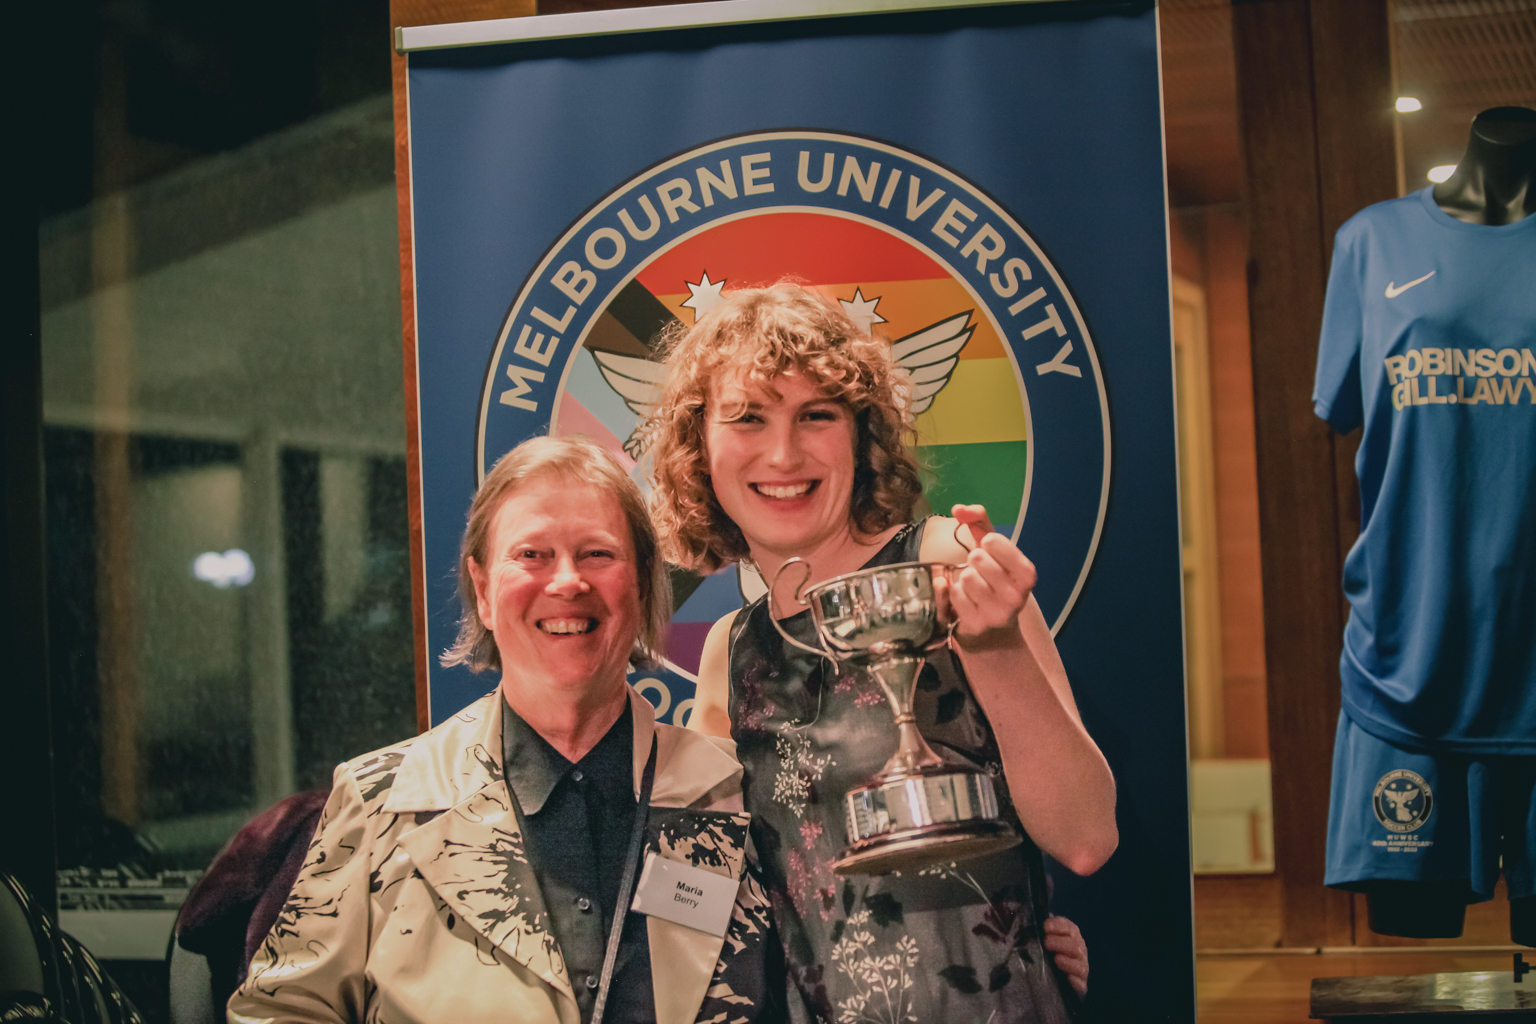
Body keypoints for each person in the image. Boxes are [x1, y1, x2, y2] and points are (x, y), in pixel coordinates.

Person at [645, 283, 1116, 1022]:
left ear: (862, 436)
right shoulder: (727, 654)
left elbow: (1086, 837)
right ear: (698, 447)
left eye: (817, 415)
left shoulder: (947, 564)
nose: (783, 452)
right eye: (747, 418)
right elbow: (710, 905)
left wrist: (993, 646)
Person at [228, 436, 781, 1024]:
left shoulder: (731, 793)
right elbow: (278, 1012)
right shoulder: (378, 803)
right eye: (531, 555)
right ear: (485, 589)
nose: (567, 582)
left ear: (643, 582)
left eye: (597, 553)